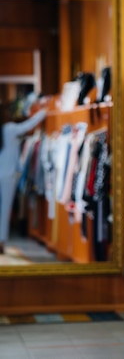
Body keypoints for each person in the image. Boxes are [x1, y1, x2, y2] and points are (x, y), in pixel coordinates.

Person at [0, 103, 47, 254]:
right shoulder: (9, 129)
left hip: (7, 175)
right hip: (8, 176)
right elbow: (29, 125)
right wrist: (44, 111)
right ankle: (1, 241)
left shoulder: (8, 130)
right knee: (5, 210)